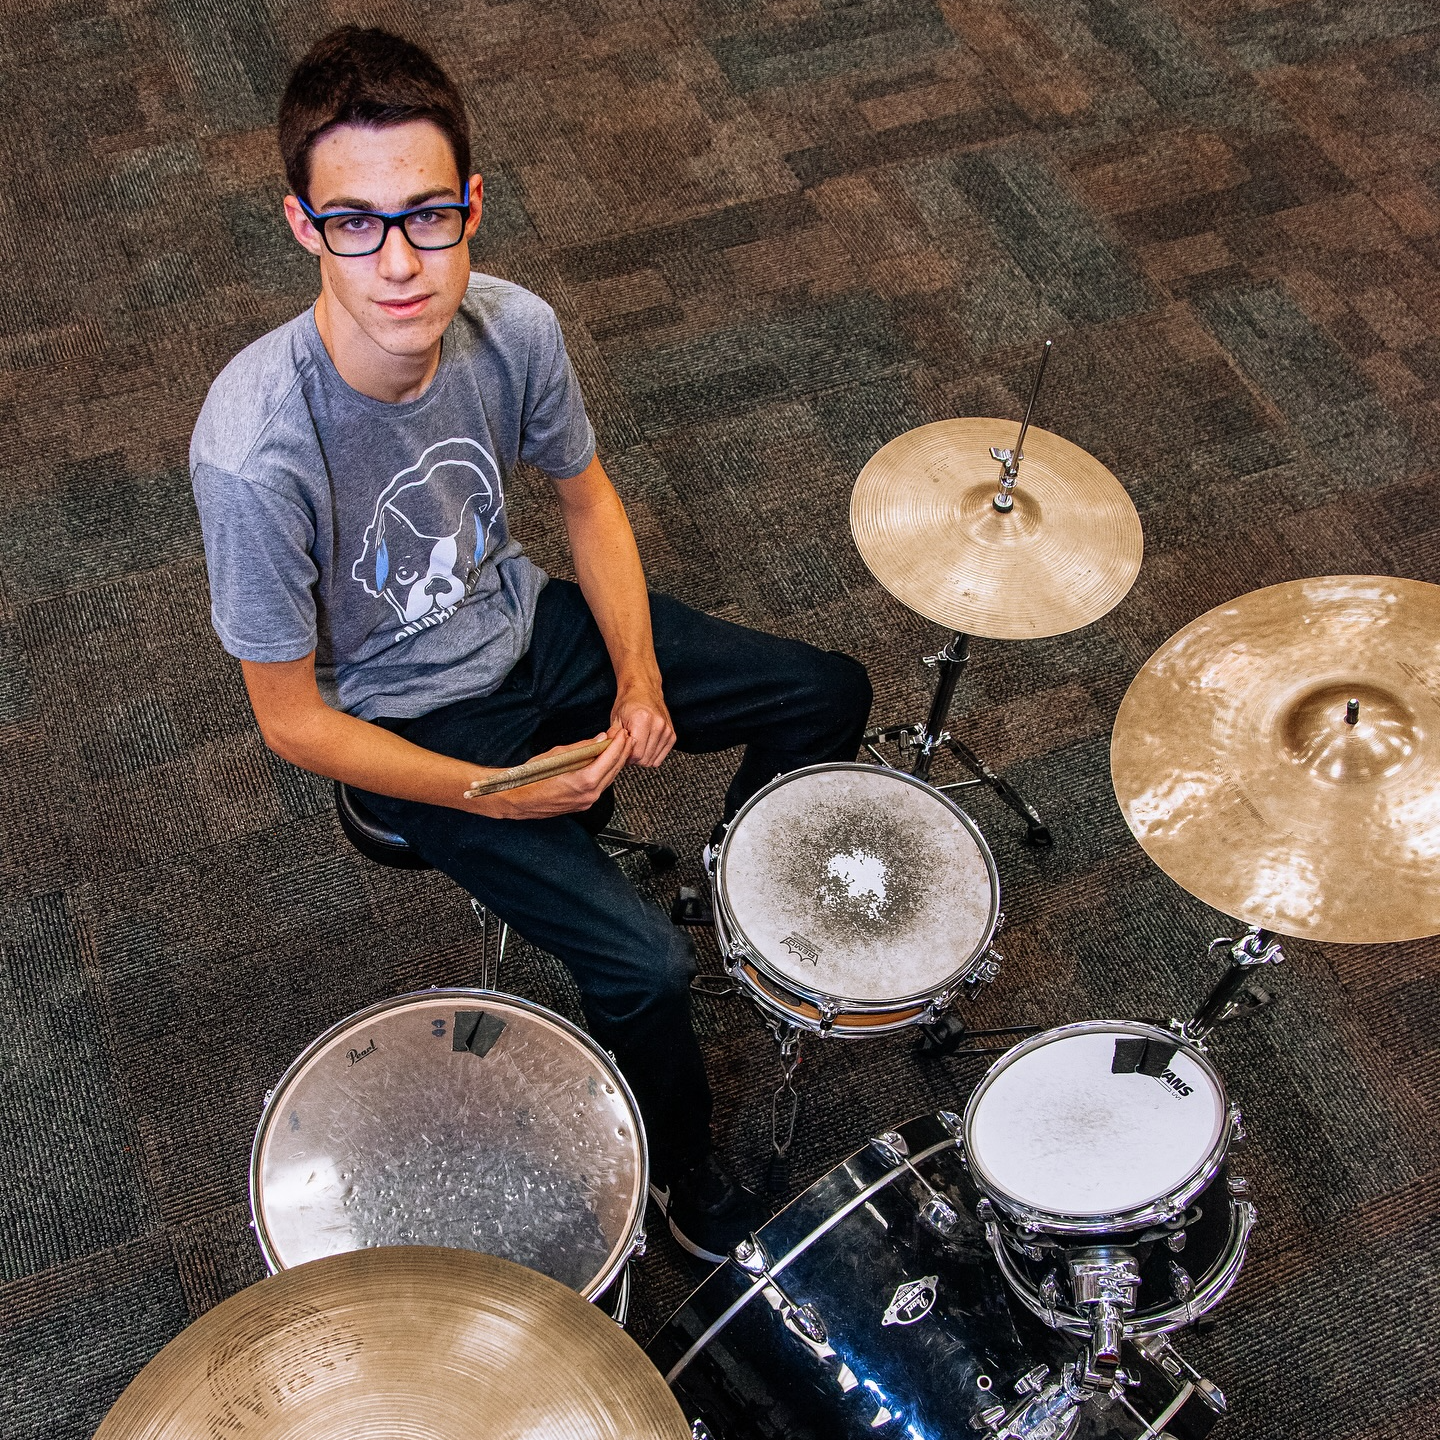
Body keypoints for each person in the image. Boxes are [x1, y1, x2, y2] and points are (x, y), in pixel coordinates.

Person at [189, 25, 872, 1263]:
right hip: (407, 724)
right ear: (304, 226)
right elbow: (290, 720)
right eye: (356, 223)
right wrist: (491, 799)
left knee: (827, 693)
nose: (398, 261)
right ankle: (681, 1181)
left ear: (473, 208)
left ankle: (741, 892)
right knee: (648, 972)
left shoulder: (517, 329)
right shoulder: (254, 450)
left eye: (427, 215)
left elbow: (588, 498)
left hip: (521, 623)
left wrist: (643, 675)